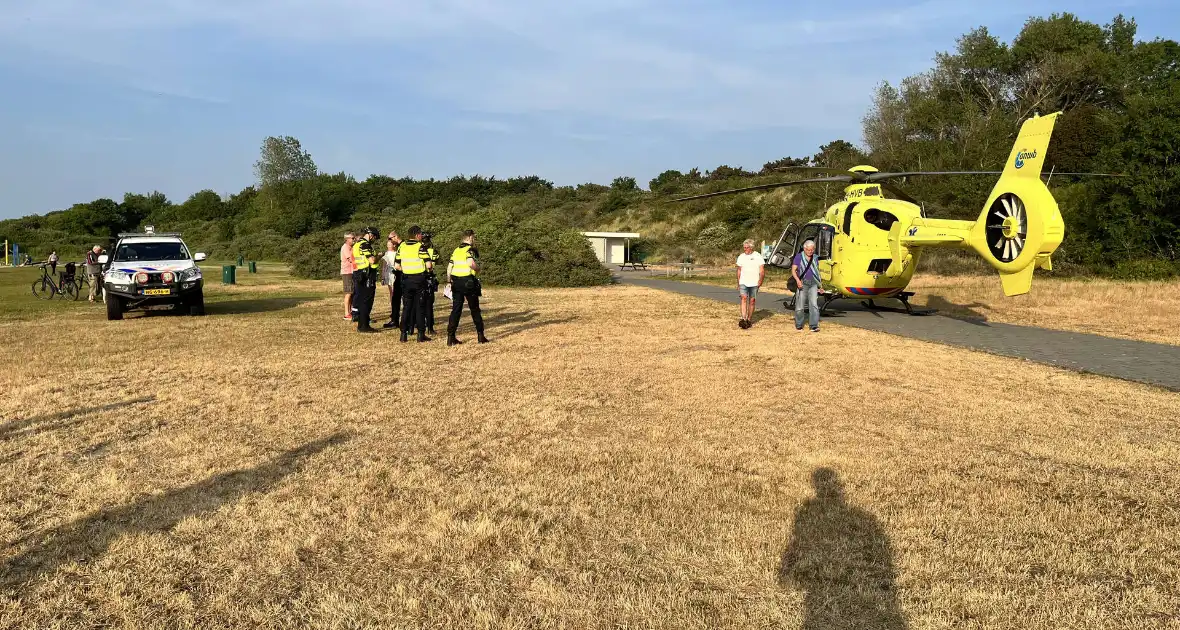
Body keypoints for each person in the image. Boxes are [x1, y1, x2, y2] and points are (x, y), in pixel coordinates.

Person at [446, 229, 488, 346]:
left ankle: (451, 337)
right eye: (473, 238)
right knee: (474, 309)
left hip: (456, 282)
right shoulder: (470, 250)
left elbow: (449, 268)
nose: (474, 240)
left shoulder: (456, 250)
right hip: (468, 282)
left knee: (456, 310)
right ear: (469, 238)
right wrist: (478, 268)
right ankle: (480, 336)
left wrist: (449, 281)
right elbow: (470, 264)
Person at [395, 225, 433, 342]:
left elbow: (397, 266)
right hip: (419, 280)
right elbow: (429, 265)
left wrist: (406, 270)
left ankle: (403, 334)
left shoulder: (402, 247)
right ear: (417, 235)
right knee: (420, 307)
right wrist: (428, 271)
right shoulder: (420, 247)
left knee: (406, 307)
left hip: (406, 280)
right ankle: (421, 334)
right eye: (421, 234)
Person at [350, 227, 380, 333]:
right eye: (375, 237)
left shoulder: (357, 244)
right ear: (371, 235)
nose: (374, 240)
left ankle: (362, 324)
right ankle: (364, 326)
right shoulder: (365, 245)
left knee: (362, 299)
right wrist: (379, 256)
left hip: (358, 273)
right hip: (366, 275)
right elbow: (372, 260)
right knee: (367, 301)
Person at [792, 239, 821, 332]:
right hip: (802, 283)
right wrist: (797, 280)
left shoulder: (815, 257)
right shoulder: (799, 257)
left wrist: (820, 286)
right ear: (804, 249)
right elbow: (793, 270)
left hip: (813, 283)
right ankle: (799, 324)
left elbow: (817, 272)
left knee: (814, 305)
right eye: (808, 250)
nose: (810, 251)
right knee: (800, 305)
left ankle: (813, 325)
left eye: (812, 249)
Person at [736, 238, 765, 329]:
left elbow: (762, 271)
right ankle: (743, 318)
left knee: (752, 301)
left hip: (754, 282)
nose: (745, 249)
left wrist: (760, 281)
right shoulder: (741, 256)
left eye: (747, 247)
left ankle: (749, 319)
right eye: (744, 247)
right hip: (743, 282)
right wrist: (738, 282)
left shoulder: (758, 256)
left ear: (751, 248)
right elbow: (739, 270)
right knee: (744, 298)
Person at [381, 231, 403, 329]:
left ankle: (405, 320)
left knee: (403, 298)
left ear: (395, 237)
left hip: (401, 274)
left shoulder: (402, 247)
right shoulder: (398, 248)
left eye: (390, 239)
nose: (389, 242)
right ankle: (394, 319)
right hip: (395, 274)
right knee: (394, 297)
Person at [421, 232, 440, 336]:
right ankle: (430, 327)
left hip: (418, 277)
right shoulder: (433, 251)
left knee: (418, 304)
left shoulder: (417, 249)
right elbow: (435, 262)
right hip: (429, 278)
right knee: (429, 305)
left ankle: (415, 325)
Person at [340, 232, 356, 321]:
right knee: (348, 292)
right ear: (347, 239)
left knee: (352, 293)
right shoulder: (345, 247)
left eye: (354, 238)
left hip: (352, 272)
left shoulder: (352, 247)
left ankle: (351, 312)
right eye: (352, 238)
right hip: (347, 272)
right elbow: (351, 259)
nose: (354, 240)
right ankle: (346, 314)